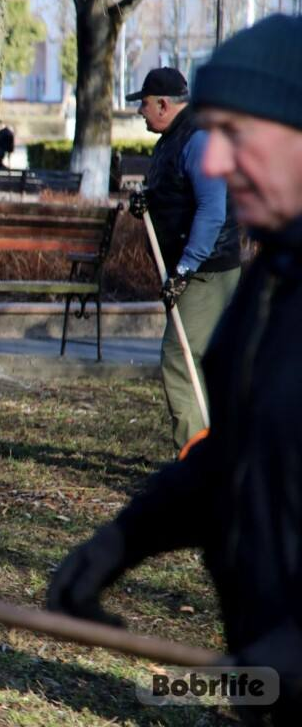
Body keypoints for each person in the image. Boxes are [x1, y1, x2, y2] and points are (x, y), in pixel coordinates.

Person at [46, 15, 302, 722]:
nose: (213, 164)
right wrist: (116, 546)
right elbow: (237, 460)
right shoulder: (272, 281)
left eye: (238, 137)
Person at [124, 67, 241, 451]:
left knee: (179, 359)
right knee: (203, 363)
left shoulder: (199, 139)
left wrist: (186, 268)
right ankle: (216, 453)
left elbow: (212, 209)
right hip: (199, 269)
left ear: (163, 104)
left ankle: (195, 461)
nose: (140, 112)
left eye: (143, 104)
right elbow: (178, 192)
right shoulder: (177, 136)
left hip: (206, 271)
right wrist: (149, 201)